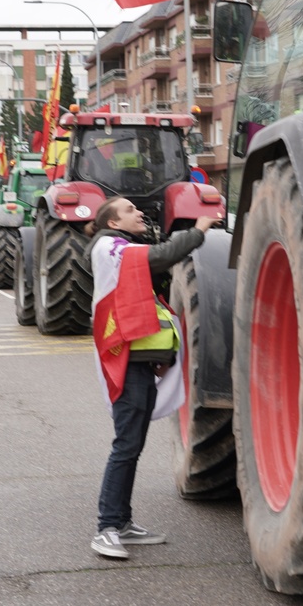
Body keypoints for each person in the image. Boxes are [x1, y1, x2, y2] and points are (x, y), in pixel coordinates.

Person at [86, 197, 220, 560]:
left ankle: (123, 523)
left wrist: (160, 356)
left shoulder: (122, 247)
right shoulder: (107, 246)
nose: (139, 213)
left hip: (139, 361)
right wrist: (200, 229)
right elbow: (160, 256)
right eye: (129, 210)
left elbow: (146, 304)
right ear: (112, 223)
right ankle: (106, 528)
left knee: (132, 445)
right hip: (124, 361)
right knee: (126, 445)